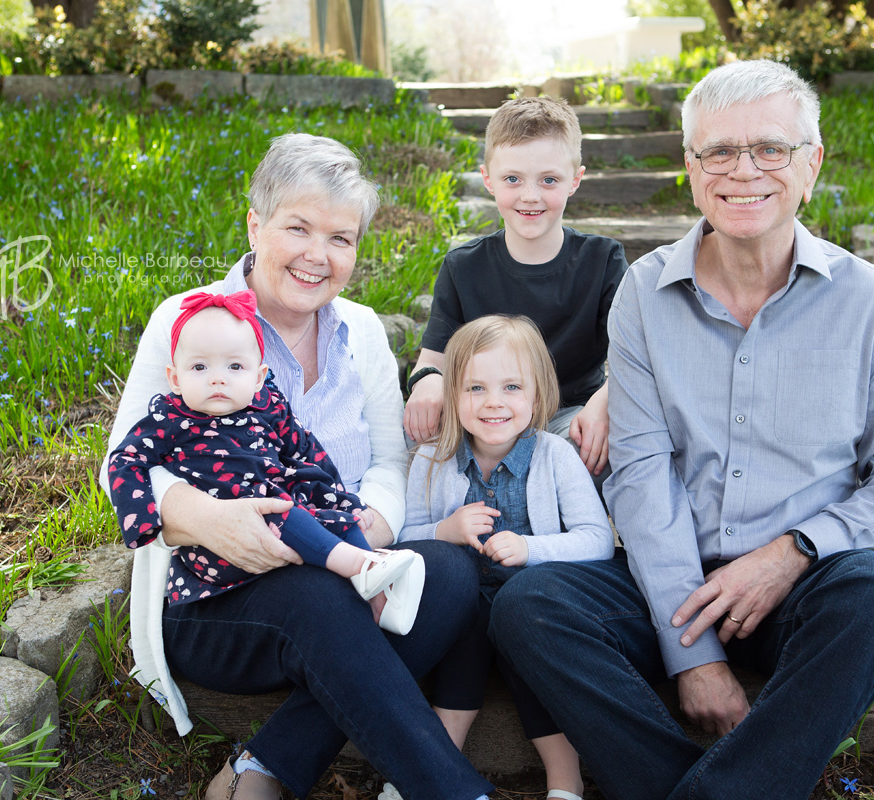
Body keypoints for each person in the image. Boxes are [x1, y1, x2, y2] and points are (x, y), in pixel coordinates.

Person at [490, 59, 874, 800]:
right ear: (692, 168)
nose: (745, 172)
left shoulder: (872, 302)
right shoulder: (643, 292)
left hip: (802, 584)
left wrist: (793, 552)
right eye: (719, 152)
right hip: (661, 580)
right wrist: (691, 654)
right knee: (530, 608)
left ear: (811, 165)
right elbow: (639, 471)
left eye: (770, 149)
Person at [101, 134, 494, 800]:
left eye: (341, 238)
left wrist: (373, 526)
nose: (319, 255)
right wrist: (205, 518)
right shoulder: (190, 321)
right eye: (298, 228)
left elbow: (389, 458)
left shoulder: (363, 331)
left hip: (339, 571)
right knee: (319, 598)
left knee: (451, 573)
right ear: (256, 225)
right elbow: (125, 459)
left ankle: (266, 765)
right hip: (217, 597)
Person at [106, 289, 424, 634]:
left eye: (235, 366)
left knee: (339, 519)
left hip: (283, 524)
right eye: (199, 367)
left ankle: (378, 599)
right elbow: (125, 458)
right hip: (222, 548)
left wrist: (345, 502)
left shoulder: (268, 406)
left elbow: (309, 456)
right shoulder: (170, 417)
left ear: (258, 377)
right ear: (175, 378)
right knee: (285, 514)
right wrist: (145, 523)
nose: (218, 378)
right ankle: (362, 565)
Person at [394, 315, 614, 800]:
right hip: (463, 610)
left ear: (537, 394)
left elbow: (597, 539)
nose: (494, 402)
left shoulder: (556, 456)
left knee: (529, 644)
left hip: (535, 612)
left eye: (512, 386)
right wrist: (445, 531)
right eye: (475, 387)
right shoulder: (433, 459)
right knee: (464, 637)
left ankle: (564, 781)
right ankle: (430, 772)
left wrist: (531, 548)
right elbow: (405, 538)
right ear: (452, 395)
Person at [402, 96, 628, 483]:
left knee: (595, 446)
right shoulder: (464, 266)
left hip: (571, 414)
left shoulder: (602, 260)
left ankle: (571, 537)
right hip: (487, 412)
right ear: (488, 179)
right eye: (512, 179)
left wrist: (604, 402)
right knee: (415, 432)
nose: (530, 195)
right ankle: (446, 529)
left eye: (549, 180)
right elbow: (432, 358)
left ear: (575, 179)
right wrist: (427, 382)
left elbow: (635, 355)